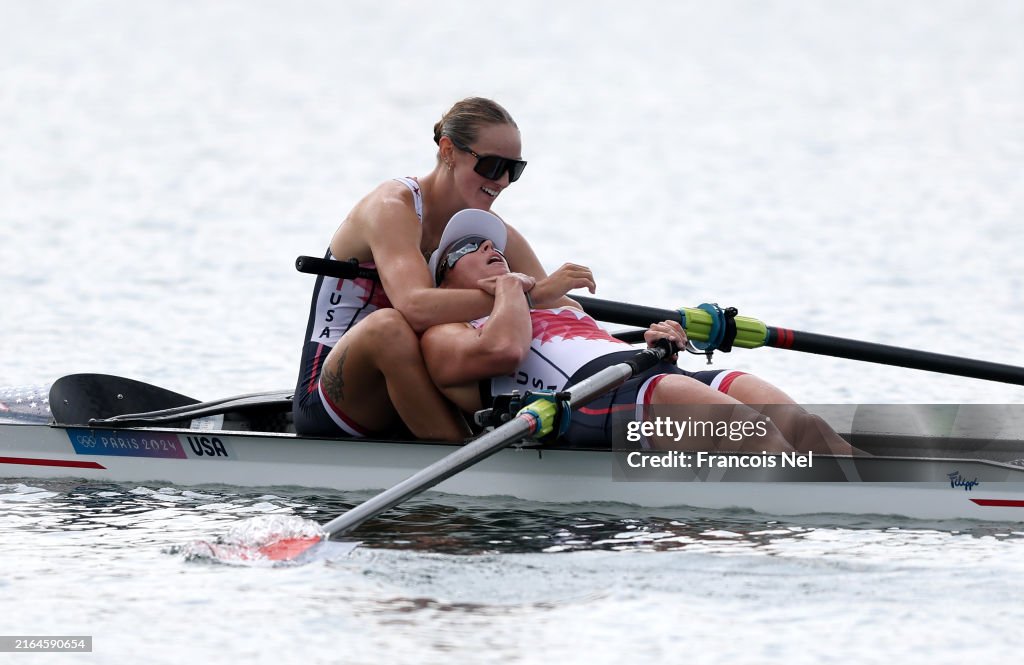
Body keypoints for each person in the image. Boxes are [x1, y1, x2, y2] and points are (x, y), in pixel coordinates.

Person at [420, 210, 859, 455]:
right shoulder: (445, 333)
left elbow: (599, 349)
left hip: (643, 379)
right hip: (583, 404)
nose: (489, 248)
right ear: (441, 281)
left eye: (494, 245)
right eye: (466, 248)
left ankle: (882, 483)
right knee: (758, 437)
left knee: (810, 430)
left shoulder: (562, 304)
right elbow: (505, 350)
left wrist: (661, 343)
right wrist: (514, 288)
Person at [294, 97, 595, 441]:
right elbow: (415, 308)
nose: (504, 182)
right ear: (449, 151)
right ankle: (466, 455)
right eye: (493, 166)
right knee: (388, 327)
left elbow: (561, 308)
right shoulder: (391, 207)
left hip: (421, 382)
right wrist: (525, 297)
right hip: (335, 392)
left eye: (515, 169)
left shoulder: (493, 231)